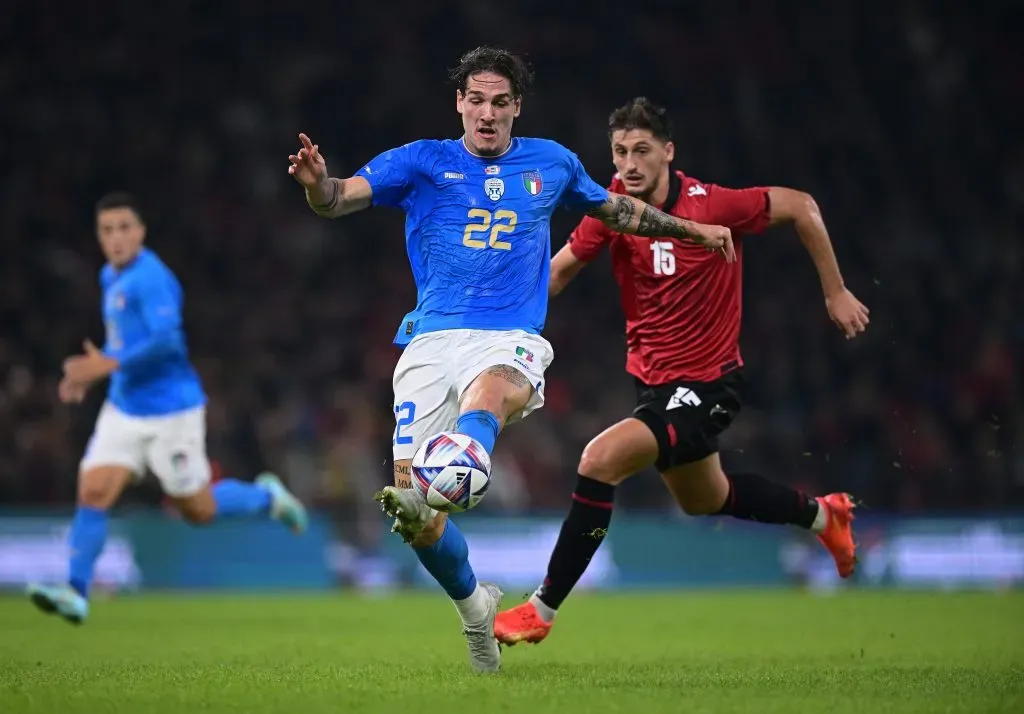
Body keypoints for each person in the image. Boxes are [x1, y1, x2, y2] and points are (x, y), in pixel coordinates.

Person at [286, 49, 733, 673]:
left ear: (516, 107)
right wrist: (315, 185)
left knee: (492, 391)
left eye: (501, 102)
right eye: (477, 100)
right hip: (429, 344)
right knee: (413, 511)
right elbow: (337, 198)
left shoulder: (552, 163)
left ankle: (469, 456)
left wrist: (693, 231)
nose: (488, 114)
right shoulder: (422, 161)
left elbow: (620, 213)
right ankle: (475, 609)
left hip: (510, 336)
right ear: (460, 104)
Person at [493, 97, 871, 646]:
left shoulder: (713, 204)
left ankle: (541, 609)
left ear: (669, 152)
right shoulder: (614, 210)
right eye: (620, 152)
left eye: (641, 150)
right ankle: (824, 517)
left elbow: (801, 205)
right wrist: (491, 308)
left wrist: (834, 291)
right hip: (655, 387)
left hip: (711, 384)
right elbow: (554, 277)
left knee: (599, 461)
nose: (628, 164)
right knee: (704, 498)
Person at [26, 192, 308, 625]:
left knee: (197, 510)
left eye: (124, 228)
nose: (116, 238)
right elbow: (125, 343)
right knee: (94, 491)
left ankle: (266, 497)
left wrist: (108, 363)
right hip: (123, 408)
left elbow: (167, 341)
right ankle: (75, 592)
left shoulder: (152, 278)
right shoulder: (109, 277)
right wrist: (96, 367)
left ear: (140, 232)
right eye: (107, 230)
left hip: (171, 413)